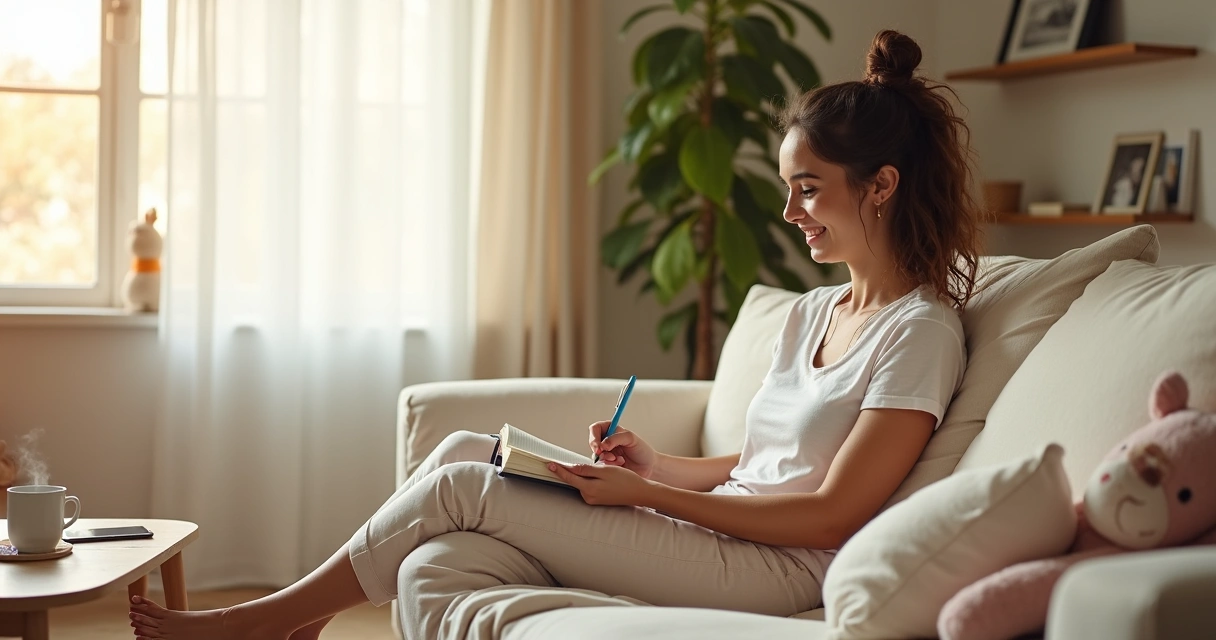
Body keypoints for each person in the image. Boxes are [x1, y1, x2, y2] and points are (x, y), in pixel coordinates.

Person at [127, 29, 981, 640]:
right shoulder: (810, 312)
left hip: (783, 570)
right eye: (790, 188)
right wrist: (653, 465)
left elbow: (836, 508)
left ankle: (268, 621)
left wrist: (648, 499)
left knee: (467, 485)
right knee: (470, 446)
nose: (790, 211)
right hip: (721, 524)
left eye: (809, 189)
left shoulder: (921, 333)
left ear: (881, 187)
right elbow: (756, 465)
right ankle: (300, 623)